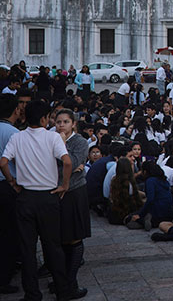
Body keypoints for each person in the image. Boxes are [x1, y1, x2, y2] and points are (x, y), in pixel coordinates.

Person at [0, 100, 73, 301]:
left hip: (25, 197)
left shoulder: (18, 137)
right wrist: (65, 184)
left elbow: (3, 162)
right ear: (43, 118)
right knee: (53, 247)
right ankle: (62, 290)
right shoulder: (53, 137)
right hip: (48, 196)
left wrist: (12, 181)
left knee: (27, 249)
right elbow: (67, 161)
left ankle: (32, 293)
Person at [54, 109, 91, 299]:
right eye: (58, 121)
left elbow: (72, 162)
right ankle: (61, 280)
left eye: (66, 121)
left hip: (74, 192)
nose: (61, 125)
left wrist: (61, 145)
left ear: (73, 124)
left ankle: (70, 282)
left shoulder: (80, 142)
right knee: (59, 239)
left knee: (75, 237)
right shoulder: (50, 138)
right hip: (55, 192)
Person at [0, 95, 21, 295]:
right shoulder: (13, 133)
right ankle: (4, 278)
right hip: (6, 187)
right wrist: (13, 182)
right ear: (15, 110)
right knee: (8, 233)